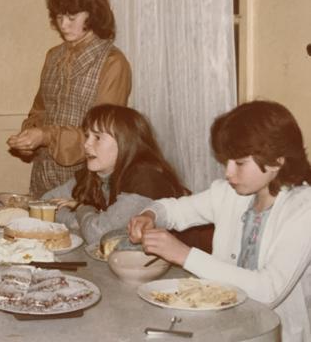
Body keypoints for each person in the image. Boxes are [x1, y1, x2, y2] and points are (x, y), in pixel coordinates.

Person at [128, 101, 311, 342]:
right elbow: (176, 210)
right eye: (226, 162)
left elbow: (269, 291)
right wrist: (150, 215)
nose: (228, 173)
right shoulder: (229, 193)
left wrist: (184, 255)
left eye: (240, 163)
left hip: (278, 334)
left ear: (277, 160)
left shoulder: (303, 209)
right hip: (225, 326)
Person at [7, 0, 131, 197]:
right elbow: (40, 110)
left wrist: (46, 136)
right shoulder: (54, 56)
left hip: (86, 182)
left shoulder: (113, 62)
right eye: (58, 16)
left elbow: (104, 134)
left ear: (93, 14)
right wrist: (29, 136)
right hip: (43, 177)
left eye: (72, 17)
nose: (63, 25)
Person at [41, 105, 187, 247]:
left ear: (125, 142)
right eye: (87, 136)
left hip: (178, 267)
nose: (86, 144)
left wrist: (81, 209)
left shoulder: (146, 178)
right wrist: (85, 221)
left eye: (97, 137)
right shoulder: (97, 171)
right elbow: (44, 204)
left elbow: (98, 234)